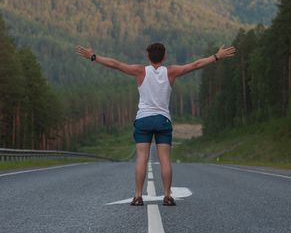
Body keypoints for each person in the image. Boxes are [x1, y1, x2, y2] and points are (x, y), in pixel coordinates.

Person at [75, 43, 236, 206]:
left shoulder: (140, 71)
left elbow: (115, 64)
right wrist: (216, 57)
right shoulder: (171, 72)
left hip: (143, 119)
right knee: (165, 159)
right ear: (164, 56)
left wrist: (93, 57)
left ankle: (138, 196)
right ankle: (167, 195)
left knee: (142, 158)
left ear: (148, 57)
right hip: (162, 120)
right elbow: (195, 65)